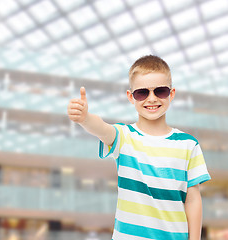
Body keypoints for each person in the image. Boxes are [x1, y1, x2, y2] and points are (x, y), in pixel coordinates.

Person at [67, 55, 211, 240]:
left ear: (171, 93)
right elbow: (102, 129)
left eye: (160, 91)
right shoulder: (124, 137)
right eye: (142, 93)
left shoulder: (188, 144)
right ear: (131, 97)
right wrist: (85, 119)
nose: (151, 99)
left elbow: (192, 200)